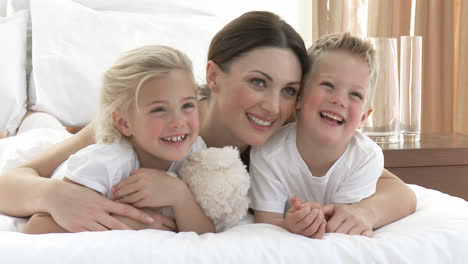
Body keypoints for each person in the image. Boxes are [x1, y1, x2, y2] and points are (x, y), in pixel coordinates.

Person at [0, 11, 416, 234]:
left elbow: (395, 189)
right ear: (213, 76)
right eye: (258, 82)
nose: (273, 106)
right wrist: (53, 196)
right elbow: (12, 179)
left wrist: (364, 213)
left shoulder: (285, 141)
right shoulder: (156, 126)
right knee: (41, 133)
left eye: (289, 90)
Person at [22, 45, 214, 235]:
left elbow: (206, 235)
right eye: (159, 109)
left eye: (187, 105)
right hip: (64, 168)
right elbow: (37, 227)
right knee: (39, 129)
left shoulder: (194, 150)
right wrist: (129, 223)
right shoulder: (105, 163)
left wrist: (180, 195)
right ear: (123, 122)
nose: (179, 122)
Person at [250, 32, 383, 238]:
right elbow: (267, 222)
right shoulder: (268, 152)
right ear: (299, 96)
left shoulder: (366, 157)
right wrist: (290, 225)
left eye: (355, 95)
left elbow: (343, 224)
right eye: (328, 85)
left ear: (364, 117)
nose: (339, 100)